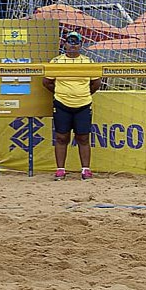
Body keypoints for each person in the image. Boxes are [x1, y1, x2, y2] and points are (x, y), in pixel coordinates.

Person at [42, 31, 101, 181]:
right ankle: (60, 170)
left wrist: (81, 94)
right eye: (70, 41)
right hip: (62, 103)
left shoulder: (88, 62)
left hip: (83, 103)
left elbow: (96, 84)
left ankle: (86, 170)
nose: (72, 45)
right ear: (65, 44)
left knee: (83, 137)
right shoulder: (56, 62)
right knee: (61, 137)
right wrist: (62, 93)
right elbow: (47, 82)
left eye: (76, 42)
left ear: (81, 45)